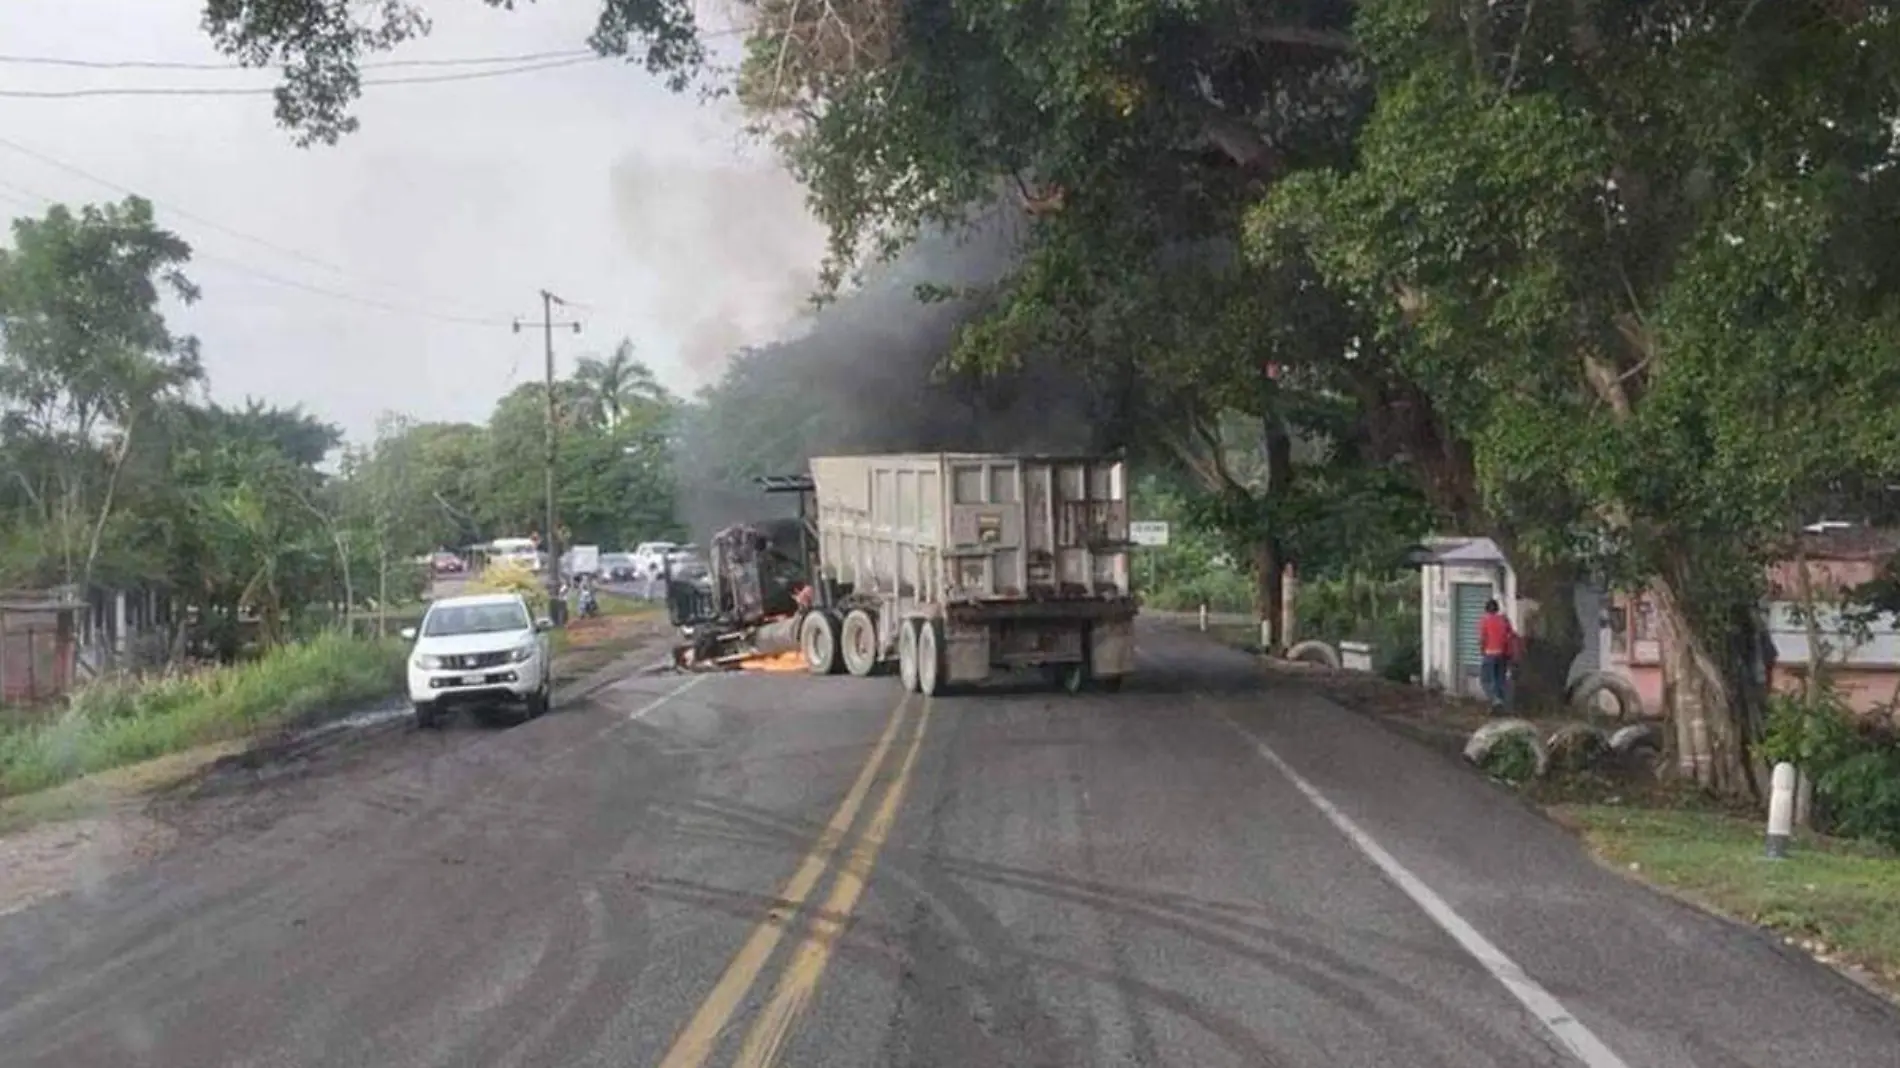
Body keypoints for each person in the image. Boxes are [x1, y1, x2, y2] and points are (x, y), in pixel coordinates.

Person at [1478, 598, 1518, 713]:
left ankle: (1496, 701)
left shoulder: (1485, 621)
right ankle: (1502, 705)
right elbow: (1511, 635)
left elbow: (1482, 639)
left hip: (1490, 654)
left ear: (1486, 610)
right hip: (1503, 655)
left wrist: (1482, 651)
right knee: (1500, 680)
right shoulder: (1504, 620)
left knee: (1485, 680)